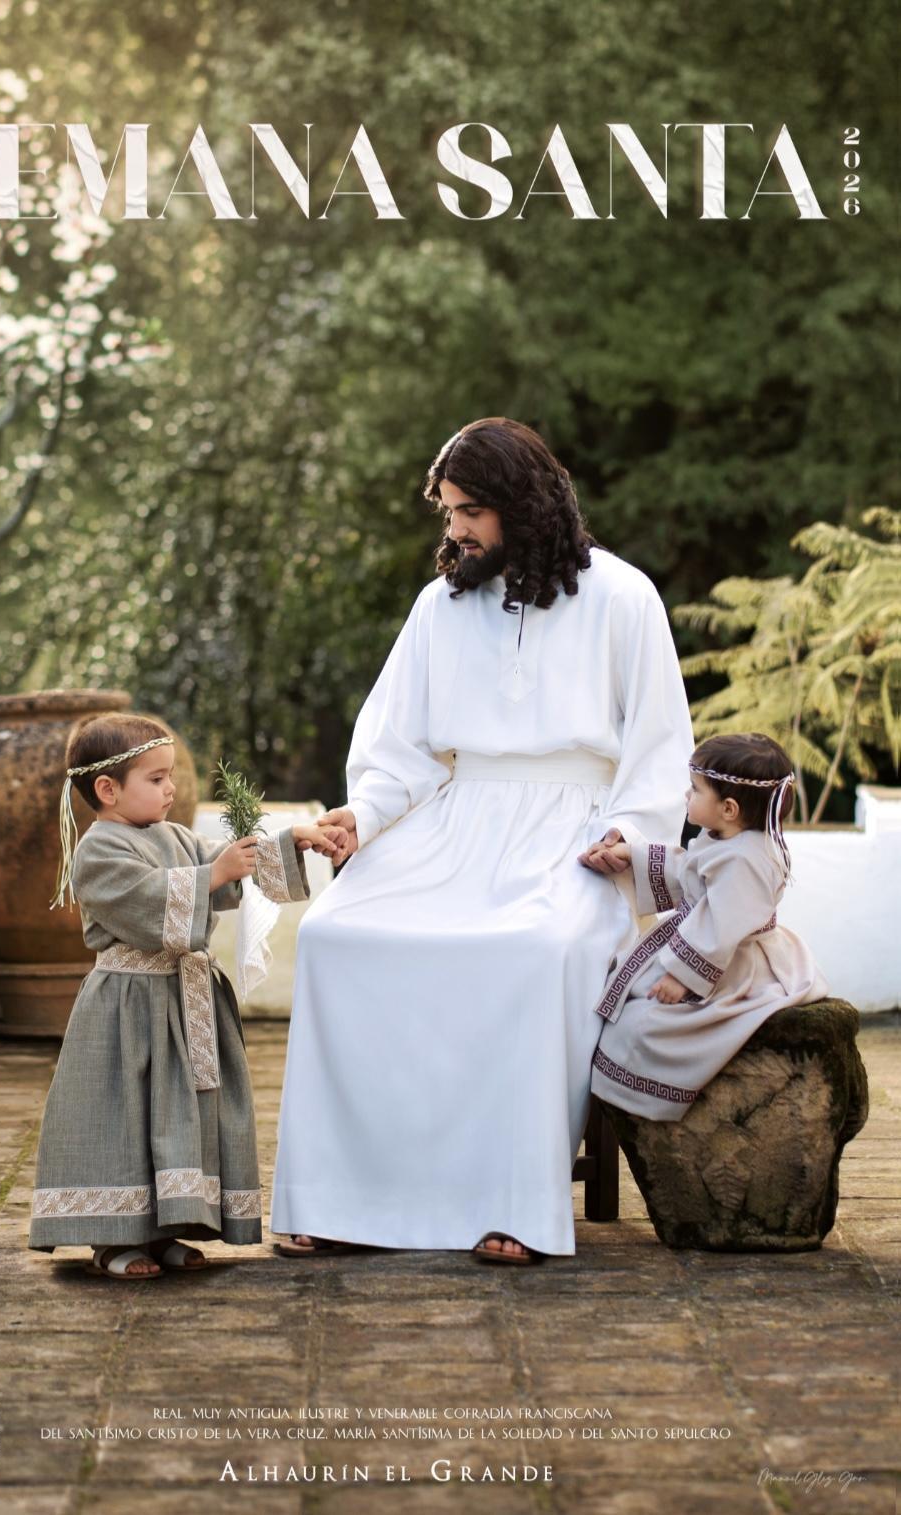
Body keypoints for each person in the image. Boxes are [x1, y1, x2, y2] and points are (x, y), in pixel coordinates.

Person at [270, 416, 694, 1264]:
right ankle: (343, 1198)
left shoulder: (623, 596)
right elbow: (399, 752)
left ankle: (514, 1203)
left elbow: (658, 747)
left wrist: (628, 835)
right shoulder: (440, 606)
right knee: (335, 934)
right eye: (448, 512)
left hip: (576, 832)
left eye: (470, 511)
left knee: (537, 949)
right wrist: (367, 814)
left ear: (523, 504)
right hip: (456, 823)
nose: (454, 530)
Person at [28, 713, 346, 1279]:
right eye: (155, 778)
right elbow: (150, 903)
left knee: (181, 1115)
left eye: (169, 775)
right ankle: (114, 1240)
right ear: (107, 788)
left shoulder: (174, 837)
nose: (170, 788)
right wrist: (210, 875)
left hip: (183, 1000)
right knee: (126, 1117)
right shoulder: (97, 851)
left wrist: (287, 842)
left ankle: (170, 1228)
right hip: (128, 1009)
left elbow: (228, 864)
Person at [582, 732, 828, 1120]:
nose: (686, 796)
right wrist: (633, 854)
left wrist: (683, 978)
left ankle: (646, 1101)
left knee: (645, 1026)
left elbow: (722, 924)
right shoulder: (725, 839)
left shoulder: (747, 860)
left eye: (695, 790)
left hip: (731, 964)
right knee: (631, 1001)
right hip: (708, 947)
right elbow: (689, 871)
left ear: (729, 808)